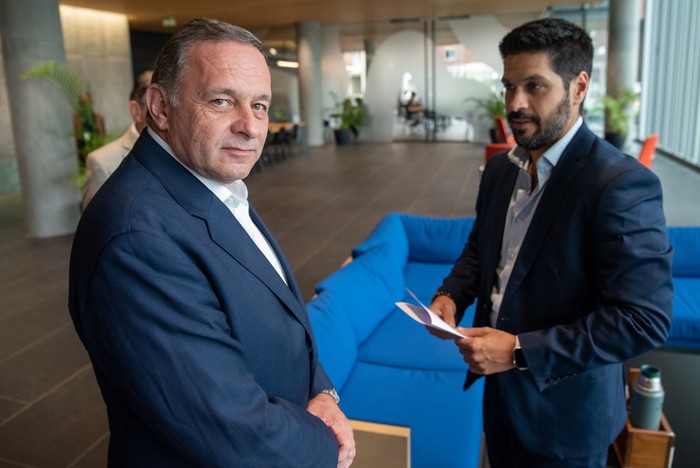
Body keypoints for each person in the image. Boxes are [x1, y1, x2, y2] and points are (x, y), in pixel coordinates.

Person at [68, 18, 355, 467]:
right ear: (160, 107)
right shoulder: (137, 238)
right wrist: (327, 442)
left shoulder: (211, 181)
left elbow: (278, 316)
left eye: (260, 105)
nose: (250, 126)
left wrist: (321, 392)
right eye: (222, 101)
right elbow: (229, 428)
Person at [428, 18, 673, 467]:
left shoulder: (619, 184)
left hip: (567, 417)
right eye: (508, 86)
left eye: (535, 86)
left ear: (578, 87)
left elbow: (643, 319)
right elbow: (482, 251)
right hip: (500, 400)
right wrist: (451, 294)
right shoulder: (502, 171)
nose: (515, 103)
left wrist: (519, 351)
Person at [81, 70, 153, 210]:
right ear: (136, 111)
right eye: (158, 105)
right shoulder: (101, 163)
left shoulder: (185, 153)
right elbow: (95, 226)